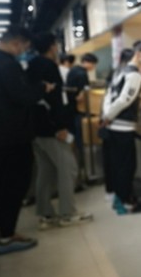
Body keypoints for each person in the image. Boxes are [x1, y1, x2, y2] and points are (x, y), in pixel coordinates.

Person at [0, 29, 54, 255]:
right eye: (25, 48)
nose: (24, 52)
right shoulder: (8, 65)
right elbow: (22, 95)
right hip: (12, 137)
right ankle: (7, 236)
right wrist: (42, 88)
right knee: (14, 185)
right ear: (17, 43)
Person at [27, 32, 93, 229]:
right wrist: (60, 127)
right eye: (56, 44)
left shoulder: (31, 65)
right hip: (52, 129)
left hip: (36, 129)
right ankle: (68, 213)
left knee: (45, 171)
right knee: (69, 168)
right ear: (51, 46)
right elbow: (53, 100)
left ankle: (45, 214)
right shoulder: (49, 66)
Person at [101, 41, 141, 214]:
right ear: (138, 53)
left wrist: (107, 115)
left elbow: (109, 96)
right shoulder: (134, 75)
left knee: (117, 165)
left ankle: (118, 198)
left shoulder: (120, 71)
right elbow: (125, 99)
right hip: (123, 127)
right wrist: (109, 116)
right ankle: (126, 202)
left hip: (113, 126)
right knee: (126, 167)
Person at [66, 52, 98, 182]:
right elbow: (82, 96)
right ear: (88, 62)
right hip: (79, 112)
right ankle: (84, 174)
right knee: (81, 142)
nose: (93, 67)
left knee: (76, 142)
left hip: (71, 111)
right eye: (94, 64)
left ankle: (80, 173)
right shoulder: (82, 74)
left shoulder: (73, 70)